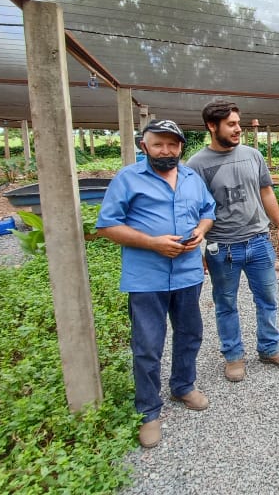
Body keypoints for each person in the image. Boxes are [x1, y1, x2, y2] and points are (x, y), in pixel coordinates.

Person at [97, 119, 216, 448]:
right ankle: (149, 411)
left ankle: (183, 385)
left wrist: (201, 232)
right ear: (143, 145)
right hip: (146, 277)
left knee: (190, 333)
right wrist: (152, 243)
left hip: (188, 273)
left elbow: (209, 210)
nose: (166, 150)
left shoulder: (192, 178)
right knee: (148, 345)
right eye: (158, 143)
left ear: (180, 147)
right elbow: (106, 226)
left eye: (172, 144)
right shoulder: (128, 178)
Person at [187, 99, 279, 382]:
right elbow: (194, 209)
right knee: (226, 304)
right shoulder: (197, 165)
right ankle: (234, 356)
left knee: (268, 298)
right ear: (212, 126)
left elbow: (266, 192)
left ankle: (269, 348)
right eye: (231, 125)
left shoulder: (252, 155)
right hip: (221, 247)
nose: (238, 129)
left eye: (238, 123)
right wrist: (198, 248)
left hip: (259, 241)